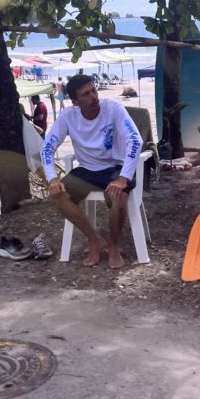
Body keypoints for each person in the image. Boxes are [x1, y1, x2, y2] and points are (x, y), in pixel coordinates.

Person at [40, 74, 142, 269]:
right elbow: (47, 148)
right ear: (75, 101)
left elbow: (135, 140)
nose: (93, 96)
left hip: (116, 168)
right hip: (87, 170)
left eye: (94, 91)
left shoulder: (113, 109)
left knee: (118, 195)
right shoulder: (68, 116)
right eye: (86, 94)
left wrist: (123, 178)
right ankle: (94, 240)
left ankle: (113, 245)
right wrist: (52, 179)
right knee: (57, 195)